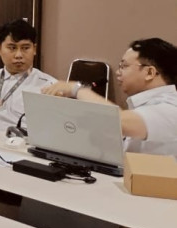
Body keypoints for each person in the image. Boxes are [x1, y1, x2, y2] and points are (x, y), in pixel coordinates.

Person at [43, 38, 177, 155]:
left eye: (124, 66)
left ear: (150, 73)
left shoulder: (171, 108)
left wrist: (77, 89)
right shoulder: (146, 105)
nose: (118, 72)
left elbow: (117, 120)